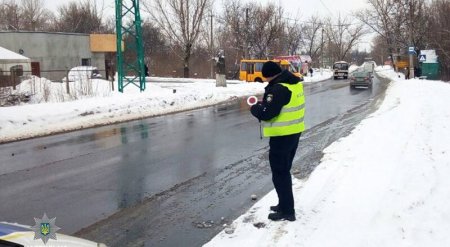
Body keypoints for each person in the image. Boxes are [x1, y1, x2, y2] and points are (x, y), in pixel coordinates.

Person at [250, 61, 305, 221]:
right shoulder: (293, 83)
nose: (266, 81)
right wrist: (266, 104)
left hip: (282, 136)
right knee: (284, 171)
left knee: (280, 174)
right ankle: (283, 204)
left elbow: (267, 113)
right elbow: (280, 106)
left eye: (266, 78)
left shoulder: (278, 88)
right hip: (293, 132)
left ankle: (287, 211)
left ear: (270, 75)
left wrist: (254, 108)